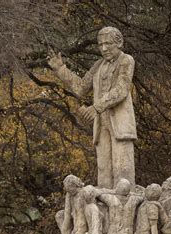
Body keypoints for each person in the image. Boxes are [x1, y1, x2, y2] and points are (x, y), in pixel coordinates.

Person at [49, 27, 137, 189]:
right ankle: (103, 210)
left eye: (108, 43)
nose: (103, 48)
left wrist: (96, 107)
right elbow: (81, 88)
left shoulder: (126, 60)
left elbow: (121, 90)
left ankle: (125, 208)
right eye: (100, 44)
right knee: (103, 172)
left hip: (120, 124)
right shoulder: (98, 65)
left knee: (122, 172)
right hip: (101, 125)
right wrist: (60, 69)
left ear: (119, 43)